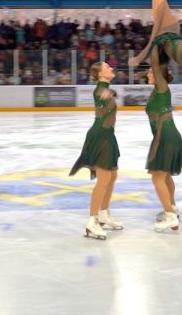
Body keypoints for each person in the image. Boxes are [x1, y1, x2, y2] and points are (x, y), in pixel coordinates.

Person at [70, 62, 122, 240]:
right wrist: (110, 92)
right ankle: (91, 221)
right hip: (100, 136)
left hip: (108, 135)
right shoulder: (99, 90)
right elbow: (102, 94)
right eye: (107, 67)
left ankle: (103, 214)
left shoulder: (104, 88)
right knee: (104, 178)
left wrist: (111, 92)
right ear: (100, 74)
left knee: (112, 175)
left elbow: (109, 93)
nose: (111, 68)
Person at [146, 47, 182, 232]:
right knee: (166, 175)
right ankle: (172, 208)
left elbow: (156, 64)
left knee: (157, 177)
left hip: (166, 136)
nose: (148, 74)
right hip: (164, 136)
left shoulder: (162, 89)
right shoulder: (157, 90)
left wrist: (155, 45)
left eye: (151, 72)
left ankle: (170, 216)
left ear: (158, 75)